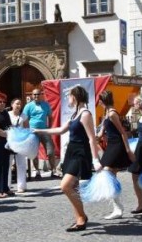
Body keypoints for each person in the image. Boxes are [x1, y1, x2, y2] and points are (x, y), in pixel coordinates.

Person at [34, 86, 101, 231]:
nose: (67, 99)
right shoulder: (74, 115)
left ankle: (82, 216)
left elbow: (91, 139)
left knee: (65, 186)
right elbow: (59, 130)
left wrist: (95, 160)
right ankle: (79, 218)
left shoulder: (85, 114)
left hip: (81, 153)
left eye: (69, 96)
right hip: (71, 152)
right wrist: (39, 130)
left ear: (75, 97)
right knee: (74, 187)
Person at [97, 91, 134, 219]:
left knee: (107, 172)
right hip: (110, 145)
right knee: (110, 175)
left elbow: (123, 132)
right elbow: (101, 131)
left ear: (104, 100)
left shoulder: (112, 113)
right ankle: (117, 207)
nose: (99, 102)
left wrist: (128, 150)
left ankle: (118, 207)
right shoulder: (106, 113)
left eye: (100, 100)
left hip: (117, 145)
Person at [22, 88, 58, 178]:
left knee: (50, 151)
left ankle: (53, 170)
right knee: (34, 153)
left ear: (41, 95)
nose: (36, 96)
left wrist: (49, 128)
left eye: (38, 94)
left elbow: (50, 117)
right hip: (33, 132)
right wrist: (27, 130)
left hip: (44, 131)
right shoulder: (28, 106)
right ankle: (37, 171)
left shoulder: (46, 105)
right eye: (34, 94)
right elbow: (25, 119)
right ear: (32, 96)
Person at [7, 97, 29, 193]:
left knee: (21, 164)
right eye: (16, 103)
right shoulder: (7, 115)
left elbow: (27, 128)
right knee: (8, 164)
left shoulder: (24, 116)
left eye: (20, 104)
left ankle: (21, 186)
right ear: (12, 105)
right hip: (10, 142)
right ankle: (7, 185)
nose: (18, 105)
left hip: (20, 142)